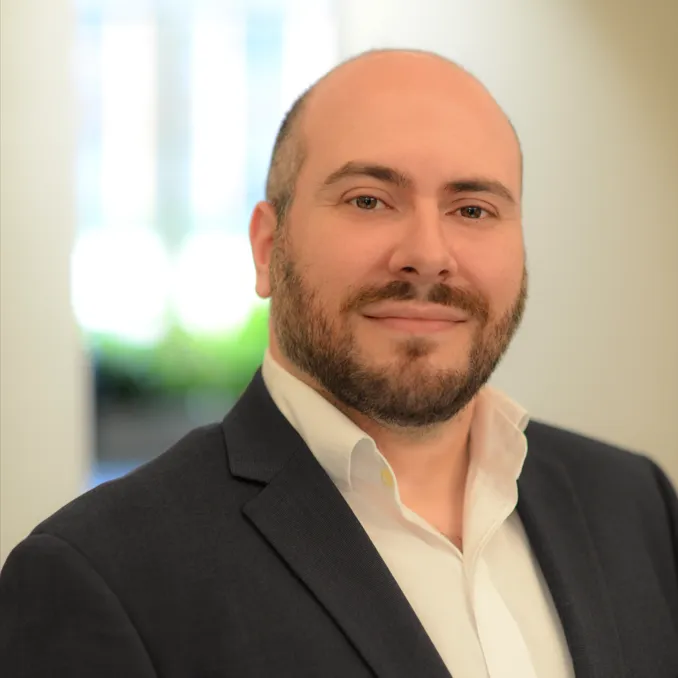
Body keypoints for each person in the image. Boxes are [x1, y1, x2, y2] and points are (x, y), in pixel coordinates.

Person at [1, 49, 677, 678]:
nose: (428, 255)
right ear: (267, 248)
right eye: (368, 200)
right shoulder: (101, 576)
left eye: (473, 209)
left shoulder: (634, 505)